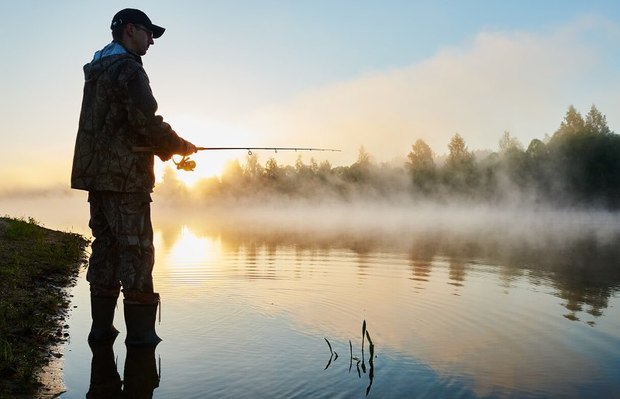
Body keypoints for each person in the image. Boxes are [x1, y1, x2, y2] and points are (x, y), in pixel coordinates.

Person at [71, 8, 196, 346]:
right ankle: (141, 340)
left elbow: (118, 125)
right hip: (126, 179)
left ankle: (101, 331)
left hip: (97, 175)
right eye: (148, 32)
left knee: (106, 248)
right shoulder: (128, 68)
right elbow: (145, 121)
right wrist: (180, 146)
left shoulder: (98, 70)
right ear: (130, 30)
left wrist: (165, 149)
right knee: (137, 251)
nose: (152, 40)